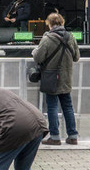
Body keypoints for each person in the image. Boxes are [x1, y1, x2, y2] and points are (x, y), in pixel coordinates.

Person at [33, 13, 81, 145]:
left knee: (52, 106)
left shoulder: (47, 38)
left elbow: (38, 58)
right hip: (66, 77)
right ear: (62, 22)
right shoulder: (70, 37)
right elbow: (76, 57)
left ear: (49, 23)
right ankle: (72, 136)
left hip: (51, 77)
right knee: (68, 106)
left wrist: (34, 52)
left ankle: (54, 136)